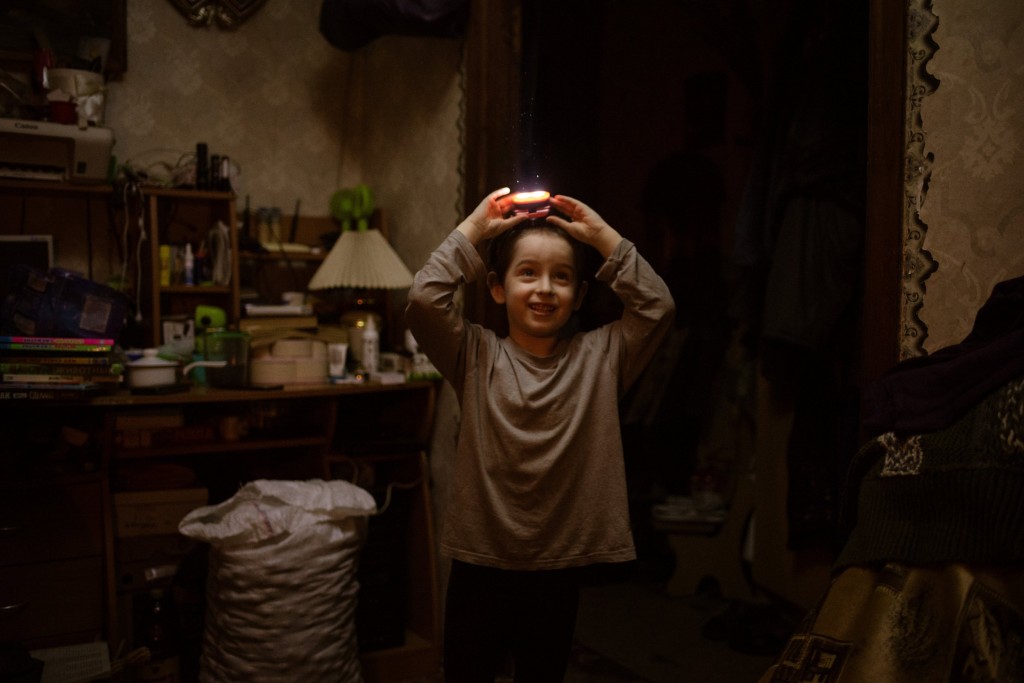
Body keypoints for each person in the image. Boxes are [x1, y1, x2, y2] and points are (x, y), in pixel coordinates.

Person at [405, 187, 675, 682]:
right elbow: (425, 298)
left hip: (557, 568)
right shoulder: (475, 355)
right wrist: (475, 229)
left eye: (563, 277)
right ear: (497, 287)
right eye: (527, 273)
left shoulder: (601, 358)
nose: (545, 288)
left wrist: (602, 238)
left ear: (580, 295)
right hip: (480, 563)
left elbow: (657, 307)